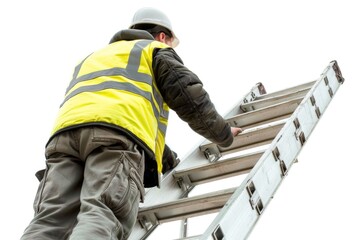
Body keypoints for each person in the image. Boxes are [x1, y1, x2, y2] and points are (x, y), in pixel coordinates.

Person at [20, 7, 242, 240]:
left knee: (49, 220)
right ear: (163, 36)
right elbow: (189, 98)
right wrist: (224, 134)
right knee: (102, 213)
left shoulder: (94, 57)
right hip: (115, 140)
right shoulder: (154, 50)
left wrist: (167, 160)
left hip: (64, 139)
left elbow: (119, 111)